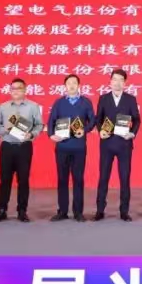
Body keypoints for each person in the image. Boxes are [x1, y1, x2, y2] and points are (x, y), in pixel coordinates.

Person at [0, 77, 44, 223]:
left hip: (24, 147)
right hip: (7, 146)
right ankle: (2, 210)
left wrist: (31, 134)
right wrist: (3, 131)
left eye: (19, 88)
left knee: (23, 180)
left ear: (25, 90)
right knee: (5, 179)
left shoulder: (33, 106)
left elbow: (39, 125)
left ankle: (22, 211)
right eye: (13, 88)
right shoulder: (3, 107)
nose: (15, 91)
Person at [47, 73, 96, 222]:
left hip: (79, 147)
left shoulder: (86, 102)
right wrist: (51, 135)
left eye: (74, 83)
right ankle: (62, 211)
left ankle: (78, 212)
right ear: (65, 86)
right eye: (69, 83)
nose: (72, 85)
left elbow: (92, 121)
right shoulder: (59, 103)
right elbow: (51, 120)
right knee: (62, 179)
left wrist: (85, 129)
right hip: (62, 146)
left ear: (79, 85)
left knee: (78, 179)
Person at [94, 69, 141, 222]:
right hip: (107, 143)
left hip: (124, 144)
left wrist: (132, 133)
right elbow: (98, 119)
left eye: (121, 80)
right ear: (110, 81)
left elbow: (137, 119)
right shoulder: (103, 98)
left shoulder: (130, 99)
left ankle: (124, 211)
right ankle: (100, 210)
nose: (117, 82)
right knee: (103, 177)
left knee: (125, 178)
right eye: (114, 79)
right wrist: (101, 131)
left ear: (125, 83)